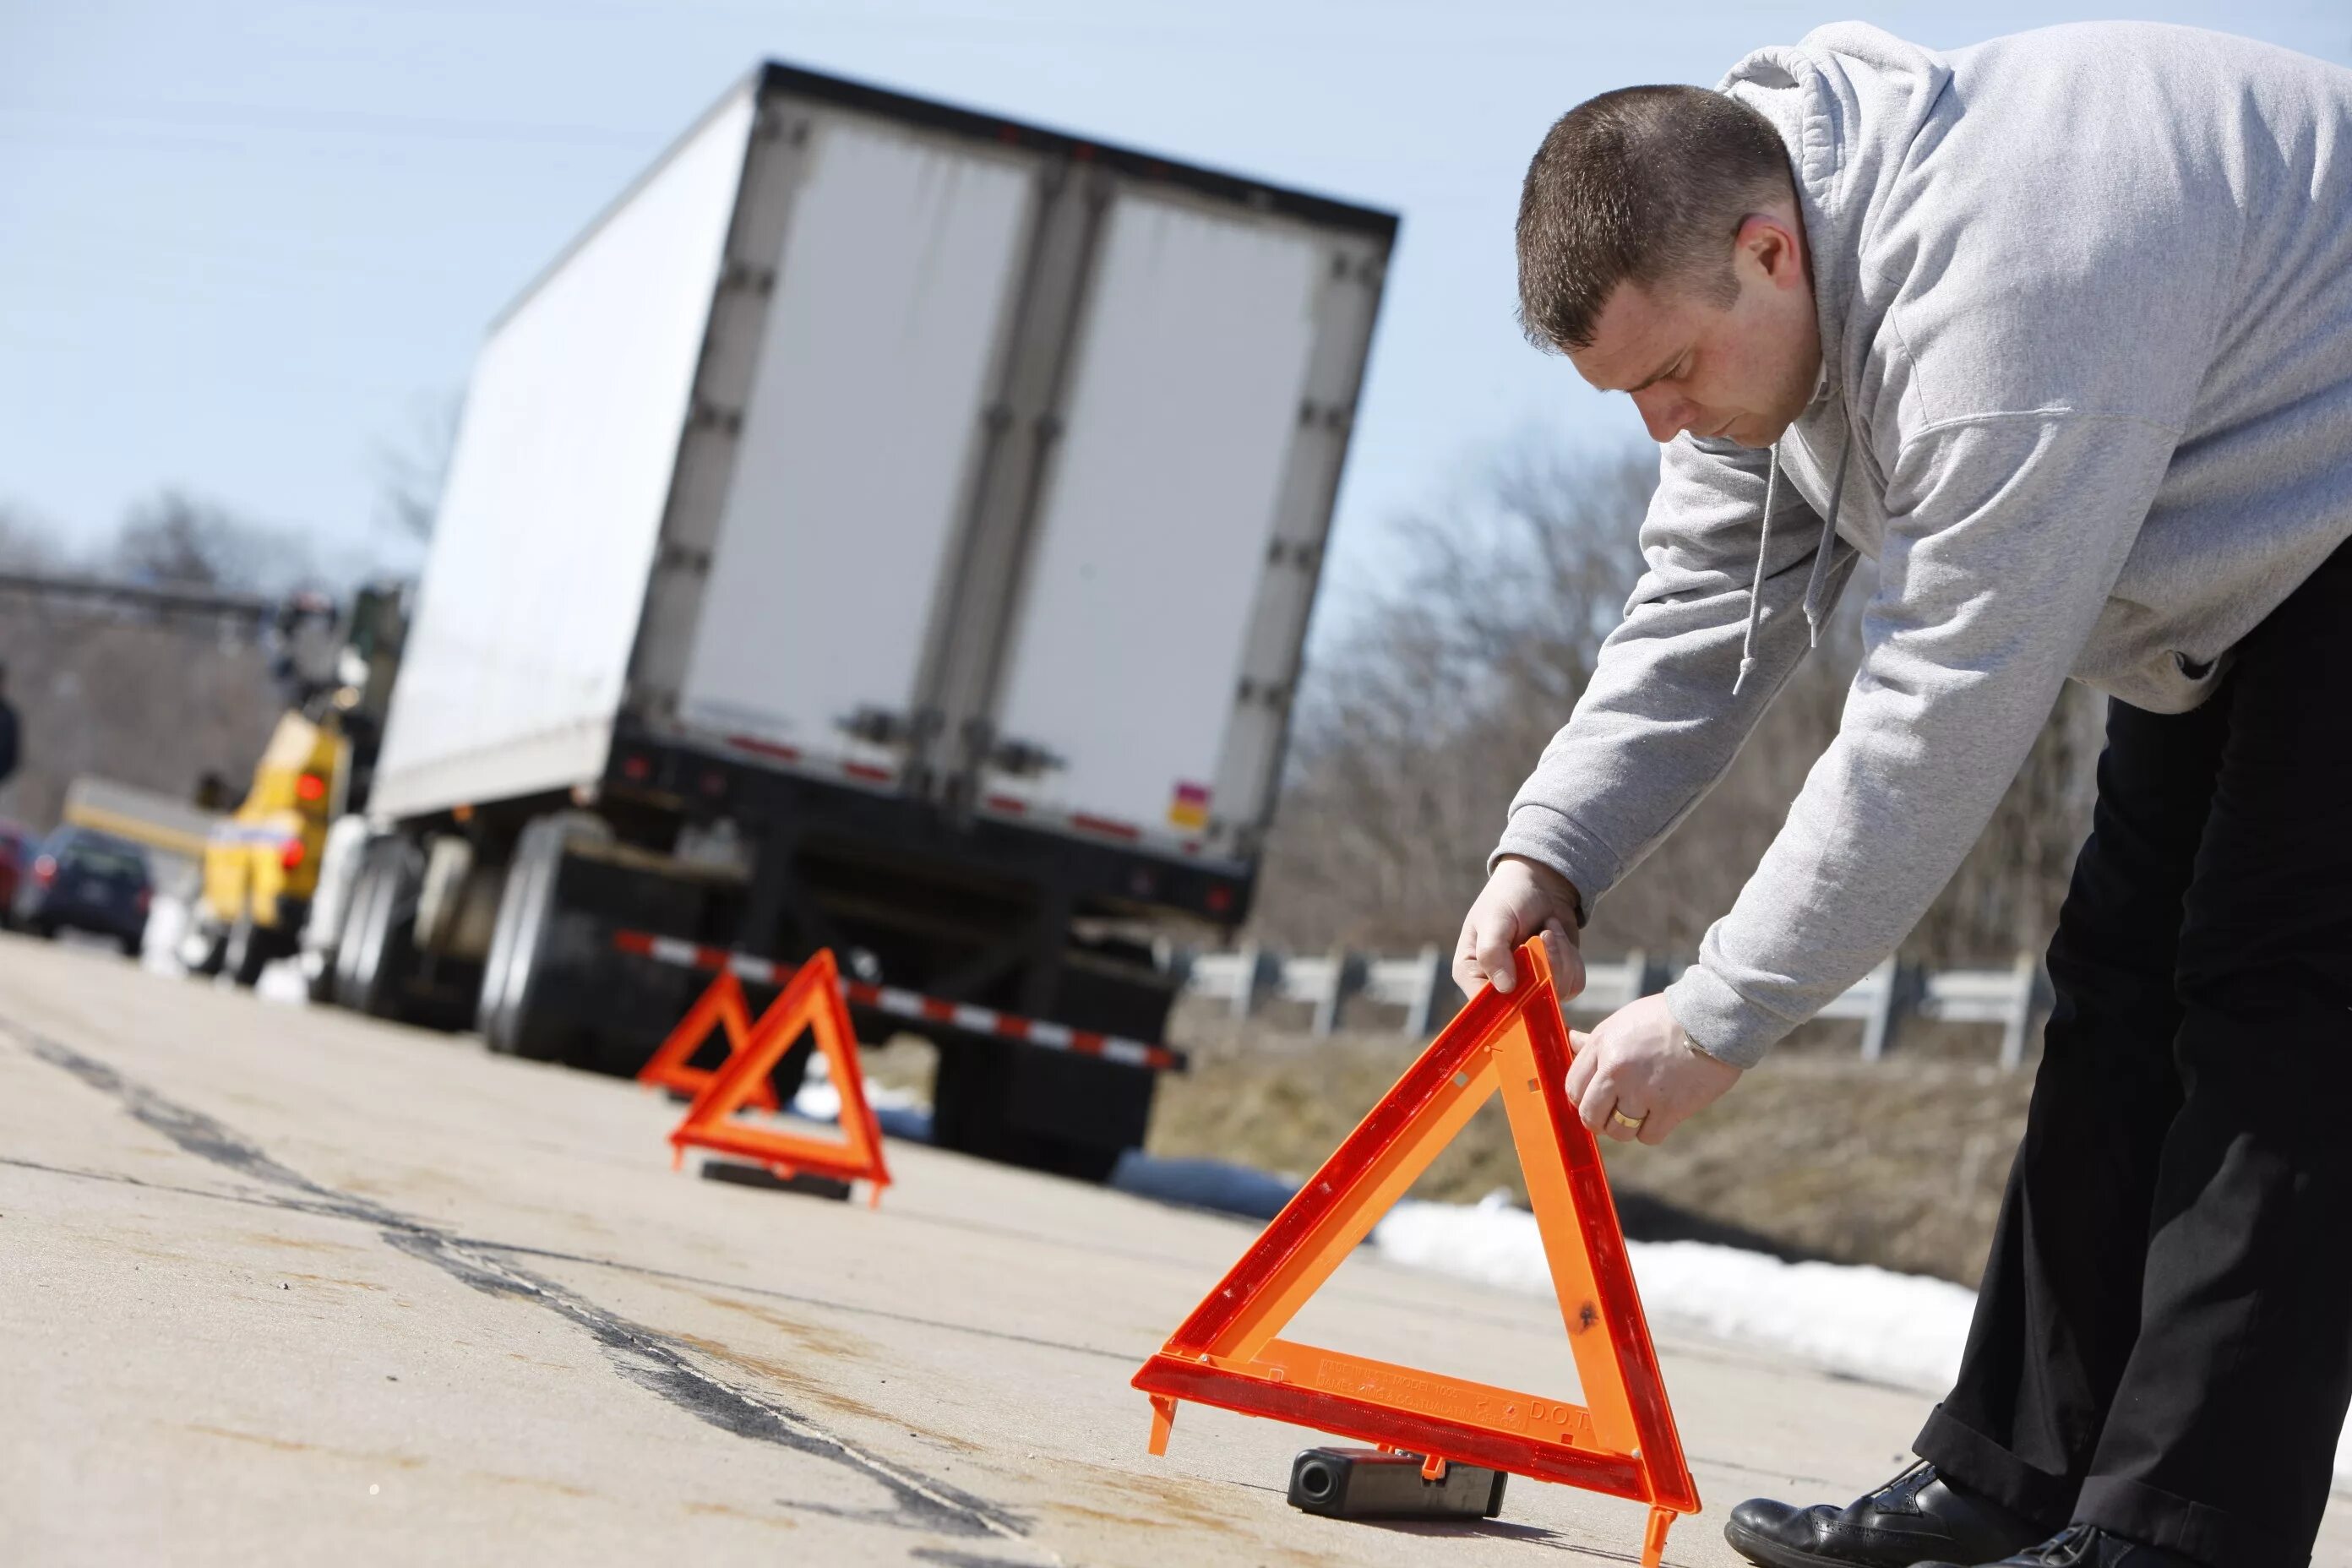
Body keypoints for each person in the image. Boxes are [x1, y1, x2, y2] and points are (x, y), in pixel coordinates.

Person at [1452, 22, 2352, 1568]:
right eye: (1631, 393)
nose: (1664, 424)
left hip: (2323, 512)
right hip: (2237, 532)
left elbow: (1938, 715)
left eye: (1668, 375)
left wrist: (1723, 1010)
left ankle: (2181, 1536)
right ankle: (2011, 1480)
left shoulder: (2011, 300)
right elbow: (1697, 616)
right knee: (2117, 989)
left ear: (1768, 247)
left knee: (2275, 1004)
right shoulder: (1745, 296)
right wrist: (1554, 851)